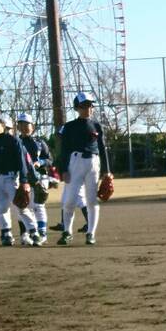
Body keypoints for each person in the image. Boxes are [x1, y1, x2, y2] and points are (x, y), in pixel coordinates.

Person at [55, 91, 112, 245]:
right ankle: (67, 232)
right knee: (69, 201)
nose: (88, 108)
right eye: (84, 106)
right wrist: (63, 170)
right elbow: (64, 150)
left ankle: (90, 233)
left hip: (93, 163)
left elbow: (102, 148)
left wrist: (107, 171)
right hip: (75, 162)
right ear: (77, 108)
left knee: (92, 200)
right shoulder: (69, 127)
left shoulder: (96, 125)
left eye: (90, 105)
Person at [0, 111, 37, 246]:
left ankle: (34, 233)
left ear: (3, 124)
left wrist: (24, 181)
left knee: (21, 206)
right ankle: (6, 234)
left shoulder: (13, 140)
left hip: (11, 177)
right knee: (1, 207)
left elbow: (22, 163)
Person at [15, 113, 53, 244]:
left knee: (38, 205)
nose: (24, 127)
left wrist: (40, 162)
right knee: (23, 205)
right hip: (23, 178)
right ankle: (25, 234)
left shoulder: (39, 142)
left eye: (27, 124)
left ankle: (42, 233)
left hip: (40, 176)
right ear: (18, 127)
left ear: (32, 126)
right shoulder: (16, 142)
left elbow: (49, 160)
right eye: (21, 124)